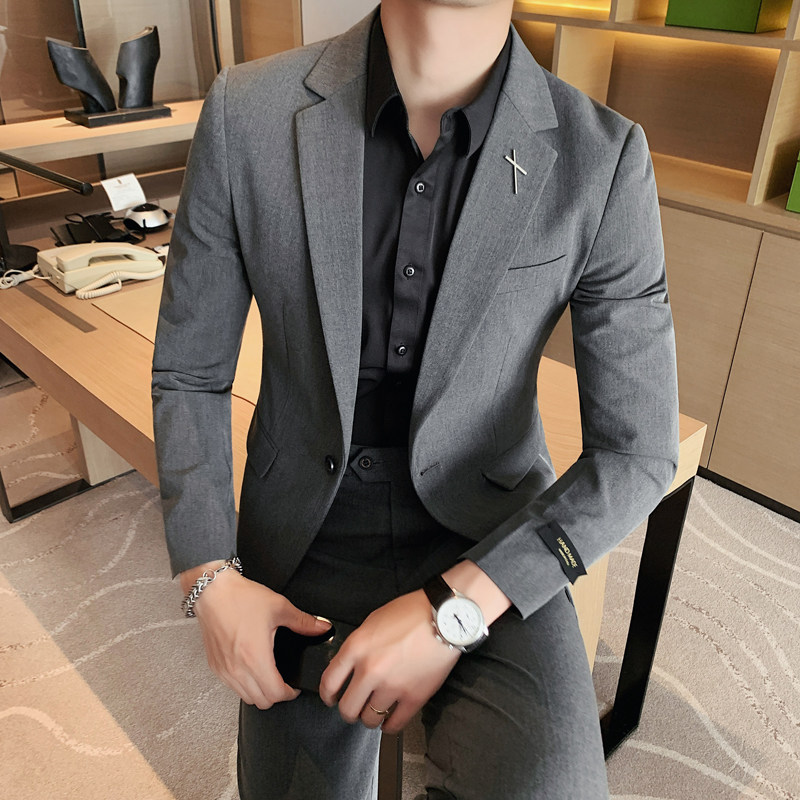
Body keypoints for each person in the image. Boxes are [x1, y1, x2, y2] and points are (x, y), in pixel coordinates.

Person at [151, 0, 679, 797]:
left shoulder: (601, 157)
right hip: (303, 529)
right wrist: (207, 575)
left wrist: (455, 610)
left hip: (490, 530)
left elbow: (637, 451)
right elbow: (189, 371)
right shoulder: (245, 113)